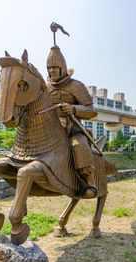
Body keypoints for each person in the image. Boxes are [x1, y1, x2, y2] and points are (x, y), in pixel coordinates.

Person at [46, 43, 97, 198]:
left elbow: (91, 111)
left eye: (55, 67)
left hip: (71, 129)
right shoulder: (44, 86)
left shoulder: (76, 85)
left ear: (62, 68)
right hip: (49, 127)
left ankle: (89, 180)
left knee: (78, 144)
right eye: (49, 68)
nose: (51, 71)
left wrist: (74, 109)